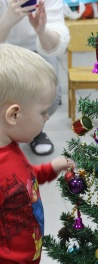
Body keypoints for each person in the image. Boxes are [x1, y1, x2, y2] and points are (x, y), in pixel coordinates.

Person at [0, 44, 74, 264]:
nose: (47, 119)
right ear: (14, 114)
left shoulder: (11, 148)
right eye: (43, 112)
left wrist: (50, 168)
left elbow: (24, 179)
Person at [0, 0, 70, 155]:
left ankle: (34, 131)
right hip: (3, 48)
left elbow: (57, 43)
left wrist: (42, 30)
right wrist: (7, 20)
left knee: (49, 96)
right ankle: (5, 134)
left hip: (38, 49)